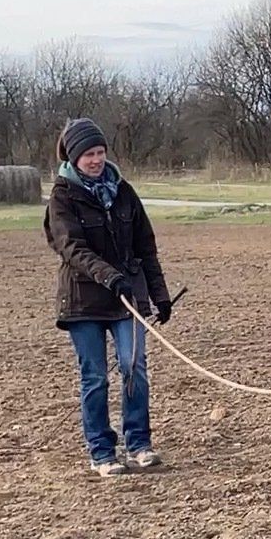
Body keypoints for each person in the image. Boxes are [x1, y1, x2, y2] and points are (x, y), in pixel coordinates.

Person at [44, 117, 175, 476]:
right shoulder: (61, 198)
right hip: (83, 302)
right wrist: (109, 276)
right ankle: (102, 451)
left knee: (134, 367)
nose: (96, 159)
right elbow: (71, 247)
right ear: (74, 157)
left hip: (128, 298)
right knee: (96, 376)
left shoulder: (124, 192)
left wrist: (159, 295)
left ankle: (139, 443)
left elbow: (145, 247)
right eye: (89, 154)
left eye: (100, 152)